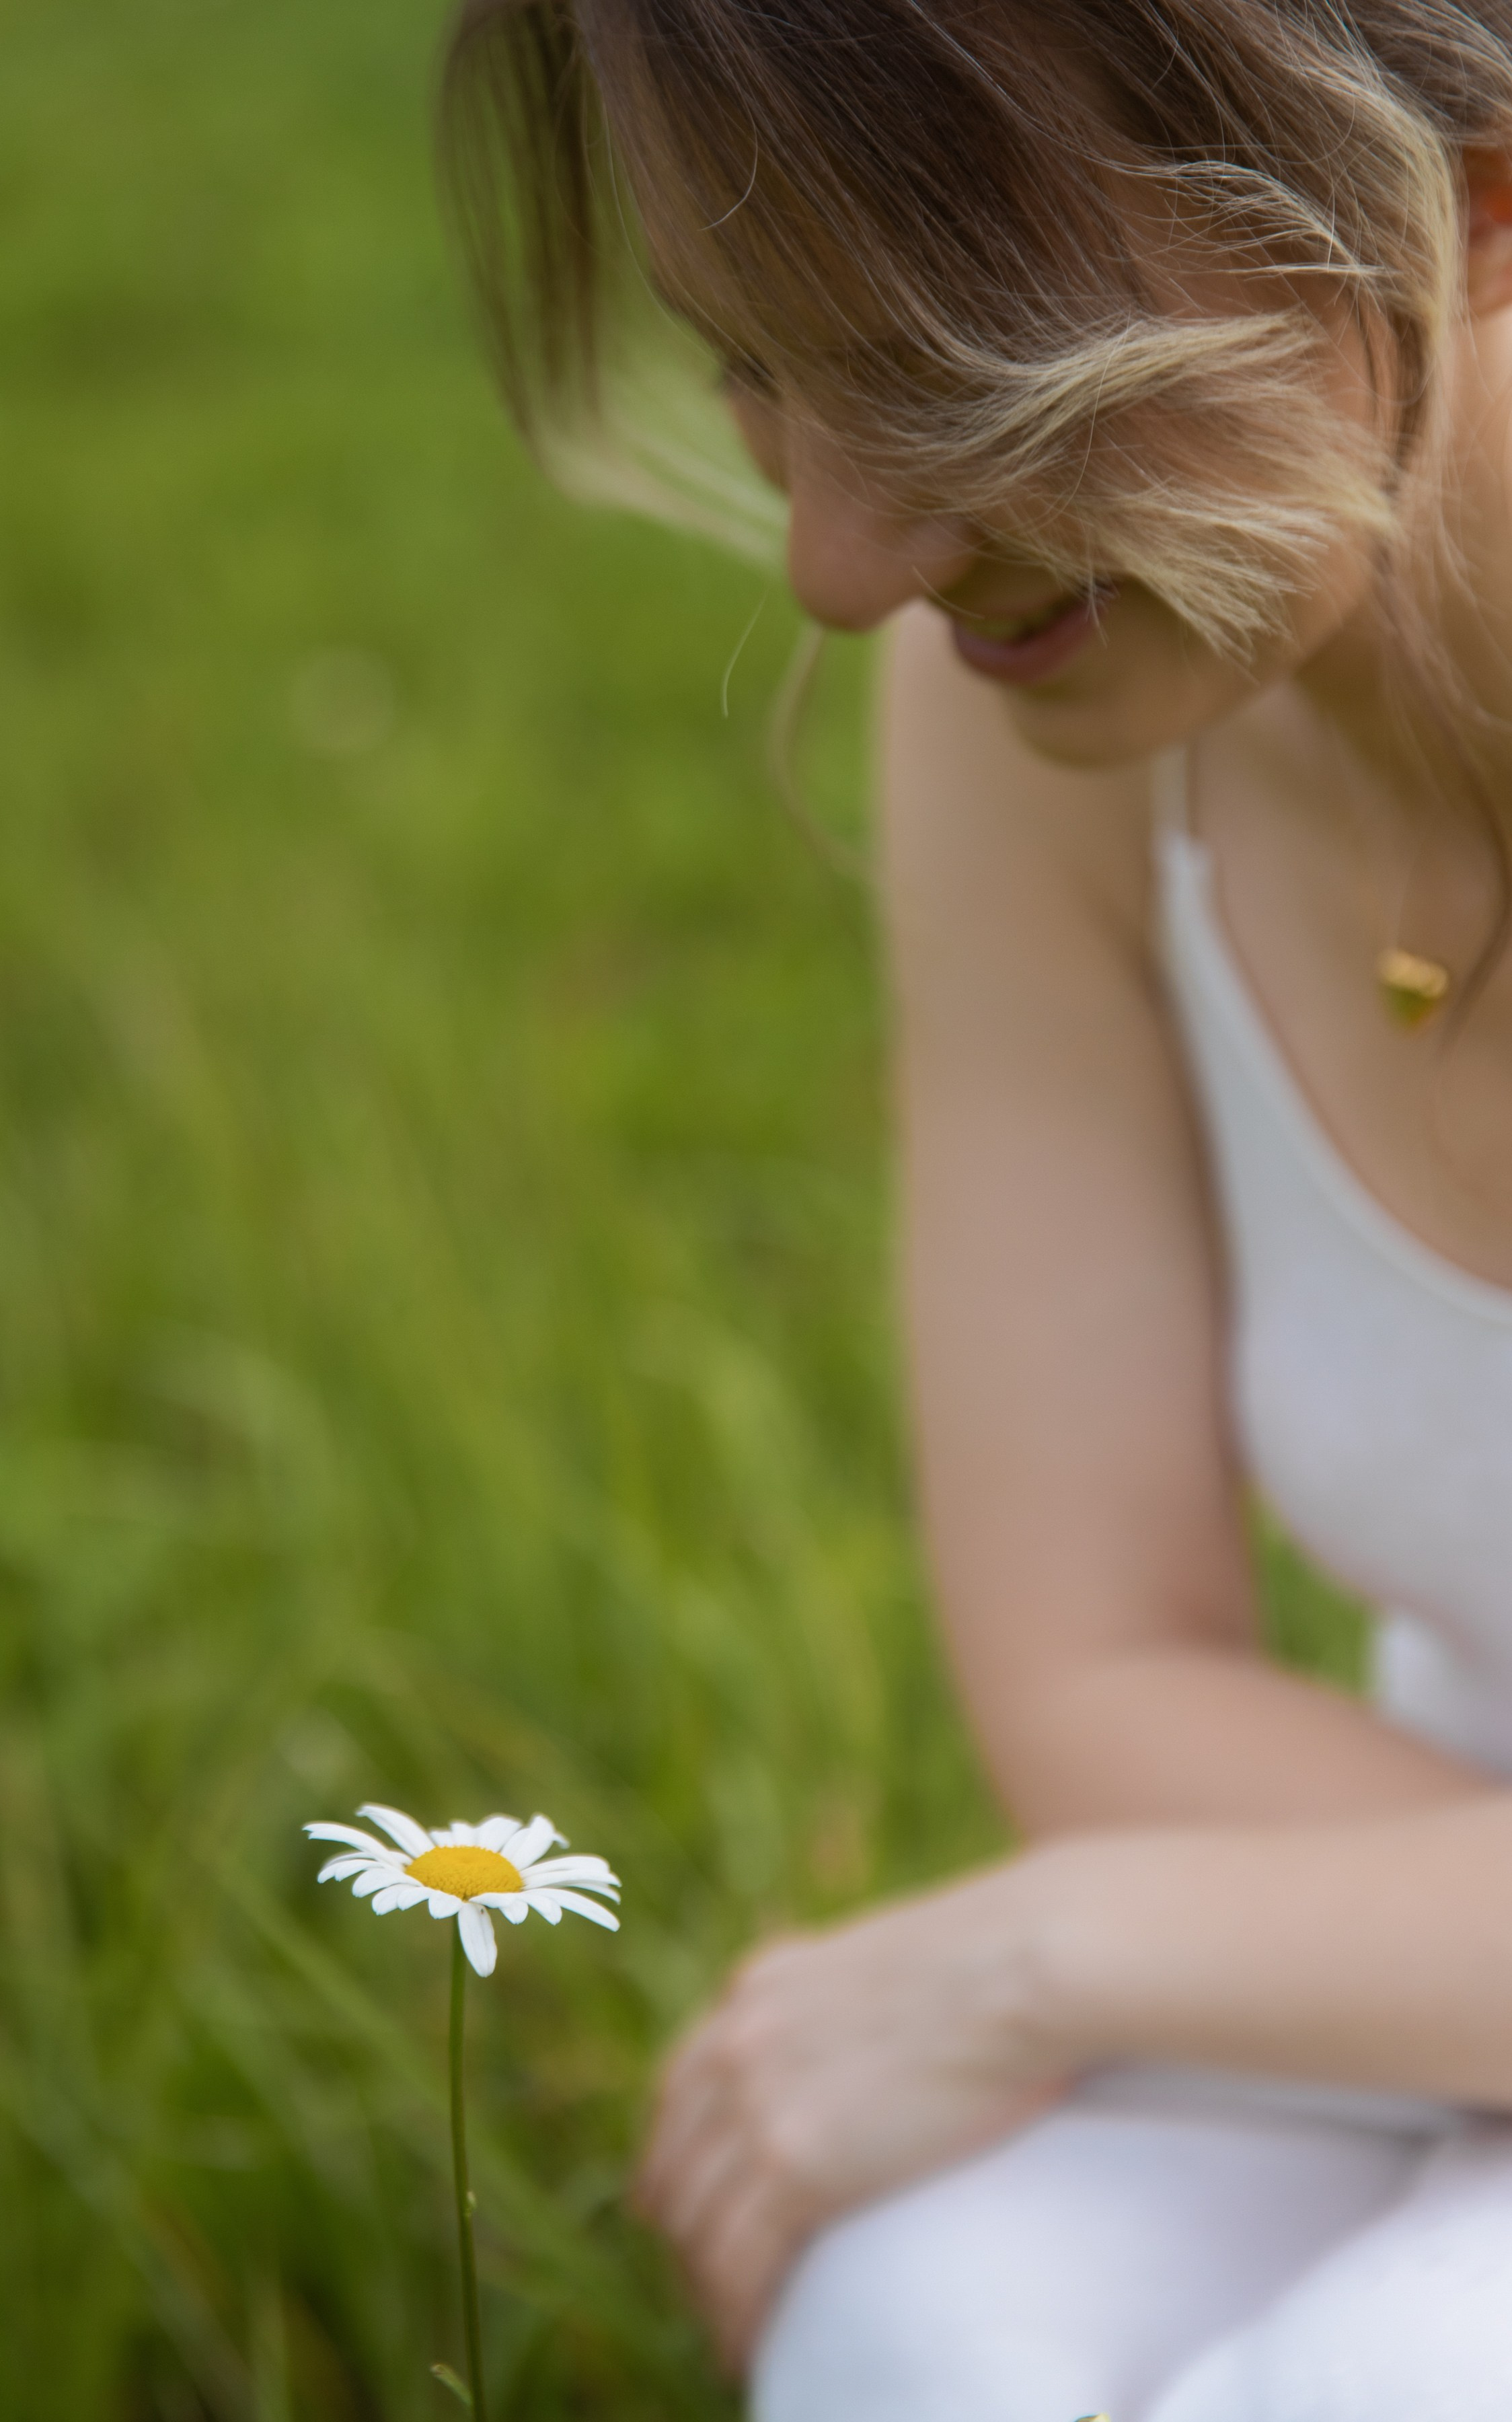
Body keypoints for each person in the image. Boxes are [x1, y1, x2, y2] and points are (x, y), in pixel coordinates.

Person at [443, 3, 1512, 2414]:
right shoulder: (1066, 709)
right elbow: (1097, 1661)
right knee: (918, 2329)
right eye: (757, 367)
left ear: (1459, 181)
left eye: (949, 373)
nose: (835, 561)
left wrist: (1051, 1960)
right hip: (1409, 1900)